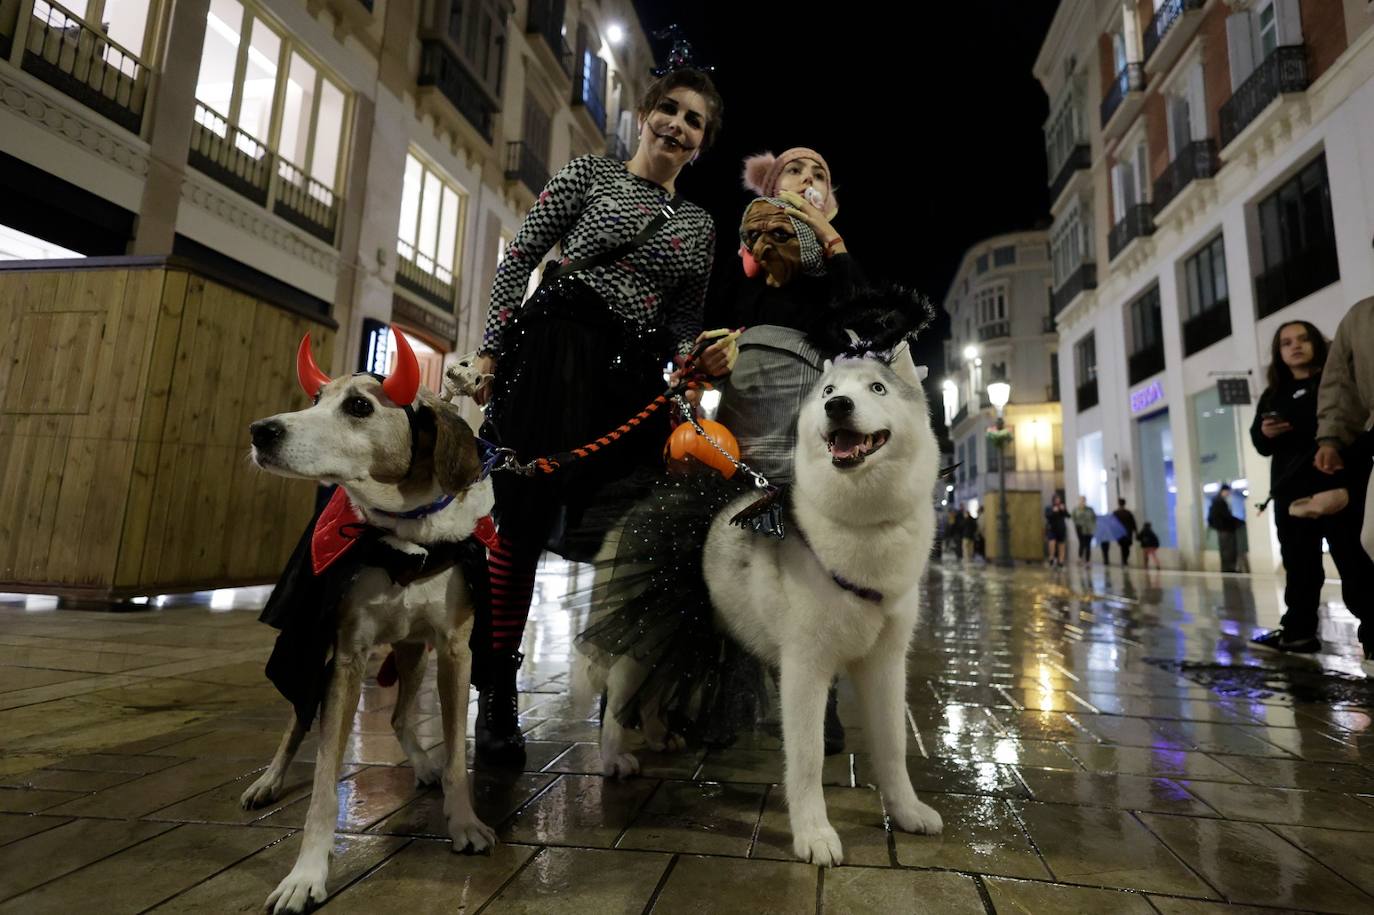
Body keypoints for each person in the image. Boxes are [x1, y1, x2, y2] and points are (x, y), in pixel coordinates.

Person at [468, 67, 727, 766]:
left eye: (694, 121)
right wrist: (491, 349)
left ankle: (624, 698)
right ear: (644, 115)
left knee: (638, 539)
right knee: (518, 530)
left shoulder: (699, 225)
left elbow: (683, 321)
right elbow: (520, 257)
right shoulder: (588, 174)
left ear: (701, 143)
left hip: (630, 382)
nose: (677, 125)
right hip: (553, 358)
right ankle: (497, 696)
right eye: (669, 109)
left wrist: (698, 356)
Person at [1251, 319, 1374, 656]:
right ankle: (1298, 633)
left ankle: (1373, 634)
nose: (1295, 346)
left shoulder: (1336, 384)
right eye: (1286, 342)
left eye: (1303, 339)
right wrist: (1265, 432)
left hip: (1339, 490)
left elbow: (1356, 427)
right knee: (1300, 569)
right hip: (1292, 495)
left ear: (1317, 344)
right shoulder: (1274, 393)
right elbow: (1260, 443)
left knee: (1355, 564)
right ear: (1279, 353)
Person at [1207, 483, 1244, 572]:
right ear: (1224, 491)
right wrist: (1239, 522)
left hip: (1221, 529)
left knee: (1224, 550)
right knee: (1229, 550)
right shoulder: (1220, 502)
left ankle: (1226, 568)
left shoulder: (1215, 501)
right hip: (1226, 529)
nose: (1228, 494)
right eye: (1228, 492)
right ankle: (1230, 568)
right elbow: (1226, 516)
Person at [1044, 494, 1069, 568]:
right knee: (1052, 543)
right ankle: (1051, 558)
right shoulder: (1049, 508)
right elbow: (1047, 516)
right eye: (1056, 499)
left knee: (1061, 544)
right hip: (1052, 528)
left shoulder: (1062, 507)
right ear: (1053, 500)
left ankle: (1061, 560)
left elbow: (1068, 515)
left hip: (1061, 529)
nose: (1058, 501)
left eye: (1059, 499)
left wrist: (1063, 510)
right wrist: (1053, 511)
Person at [1113, 498, 1137, 565]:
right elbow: (1133, 523)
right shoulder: (1128, 513)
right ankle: (1124, 560)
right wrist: (1136, 531)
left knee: (1123, 547)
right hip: (1127, 533)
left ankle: (1124, 560)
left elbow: (1113, 524)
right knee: (1126, 547)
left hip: (1121, 533)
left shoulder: (1116, 513)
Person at [1071, 495, 1095, 564]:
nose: (1082, 502)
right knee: (1082, 543)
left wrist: (1092, 527)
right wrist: (1079, 523)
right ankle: (1080, 558)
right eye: (1081, 500)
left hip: (1089, 528)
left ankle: (1088, 560)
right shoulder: (1076, 509)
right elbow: (1073, 518)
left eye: (1083, 500)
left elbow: (1094, 518)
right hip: (1080, 528)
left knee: (1088, 544)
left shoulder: (1090, 509)